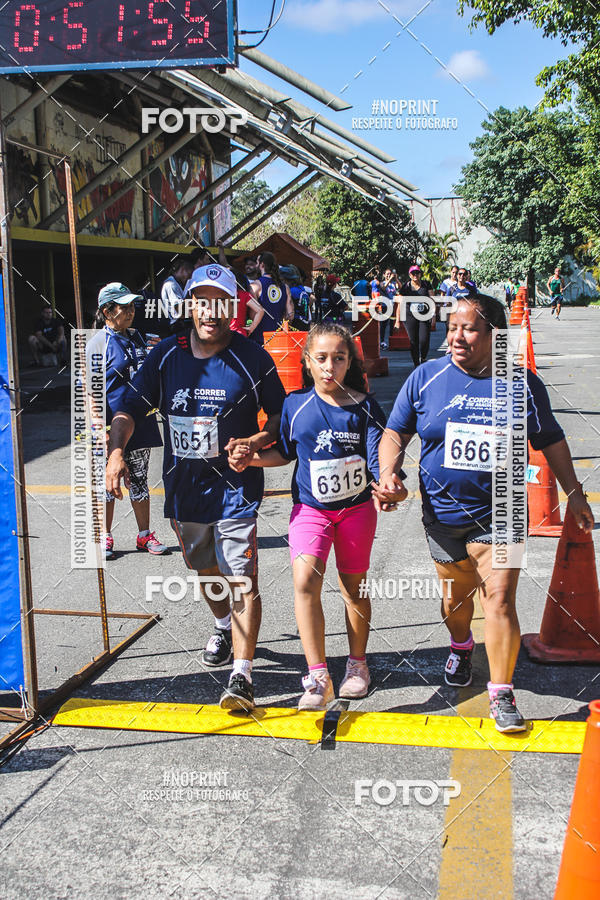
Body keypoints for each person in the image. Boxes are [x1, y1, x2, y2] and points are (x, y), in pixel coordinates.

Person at [375, 294, 594, 732]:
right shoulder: (425, 378)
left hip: (505, 512)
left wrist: (574, 493)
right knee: (456, 602)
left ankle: (501, 692)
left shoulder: (522, 384)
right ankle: (460, 644)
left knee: (500, 598)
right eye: (453, 327)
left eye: (469, 328)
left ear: (496, 336)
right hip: (442, 515)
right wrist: (388, 472)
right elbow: (395, 431)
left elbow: (550, 438)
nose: (456, 336)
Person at [106, 264, 286, 711]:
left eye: (220, 300)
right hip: (185, 490)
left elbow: (282, 418)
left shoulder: (253, 356)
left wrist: (255, 441)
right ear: (190, 305)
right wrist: (114, 451)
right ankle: (223, 626)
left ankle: (241, 675)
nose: (210, 310)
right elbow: (129, 407)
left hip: (237, 489)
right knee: (205, 570)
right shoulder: (166, 354)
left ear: (234, 306)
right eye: (202, 300)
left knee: (241, 578)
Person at [228, 323, 387, 710]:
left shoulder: (365, 406)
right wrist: (250, 459)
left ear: (350, 362)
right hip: (310, 511)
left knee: (354, 589)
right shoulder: (296, 405)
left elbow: (378, 459)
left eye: (339, 358)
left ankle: (357, 665)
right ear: (307, 362)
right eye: (321, 359)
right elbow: (284, 452)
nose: (330, 366)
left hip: (356, 512)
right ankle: (317, 675)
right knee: (305, 581)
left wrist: (385, 483)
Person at [87, 283, 167, 560]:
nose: (131, 311)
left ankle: (144, 535)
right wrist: (99, 429)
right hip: (111, 428)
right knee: (107, 485)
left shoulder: (139, 337)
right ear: (107, 311)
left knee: (140, 481)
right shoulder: (97, 344)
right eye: (124, 307)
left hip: (141, 423)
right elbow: (90, 391)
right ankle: (104, 537)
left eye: (133, 306)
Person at [250, 251, 294, 345]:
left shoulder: (256, 286)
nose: (256, 265)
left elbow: (252, 314)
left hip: (259, 338)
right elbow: (290, 315)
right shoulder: (285, 287)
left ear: (262, 265)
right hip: (278, 338)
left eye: (257, 263)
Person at [396, 265, 436, 368]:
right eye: (413, 273)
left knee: (424, 340)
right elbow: (400, 304)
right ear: (410, 275)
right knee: (413, 341)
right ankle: (416, 364)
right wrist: (397, 321)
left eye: (417, 273)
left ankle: (423, 358)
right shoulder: (405, 287)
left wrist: (434, 317)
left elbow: (432, 301)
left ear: (420, 274)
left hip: (424, 315)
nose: (415, 275)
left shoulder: (426, 285)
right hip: (409, 316)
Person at [160, 256, 193, 336]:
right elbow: (179, 309)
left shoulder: (176, 284)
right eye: (189, 275)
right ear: (182, 270)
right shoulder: (171, 284)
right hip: (175, 325)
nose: (189, 278)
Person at [379, 268, 398, 349]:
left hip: (392, 305)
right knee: (384, 324)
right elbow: (383, 288)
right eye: (387, 274)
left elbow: (399, 287)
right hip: (385, 305)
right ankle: (382, 341)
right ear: (384, 275)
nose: (389, 275)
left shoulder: (393, 284)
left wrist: (396, 279)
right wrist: (389, 279)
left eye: (390, 274)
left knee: (392, 324)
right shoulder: (382, 283)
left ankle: (391, 340)